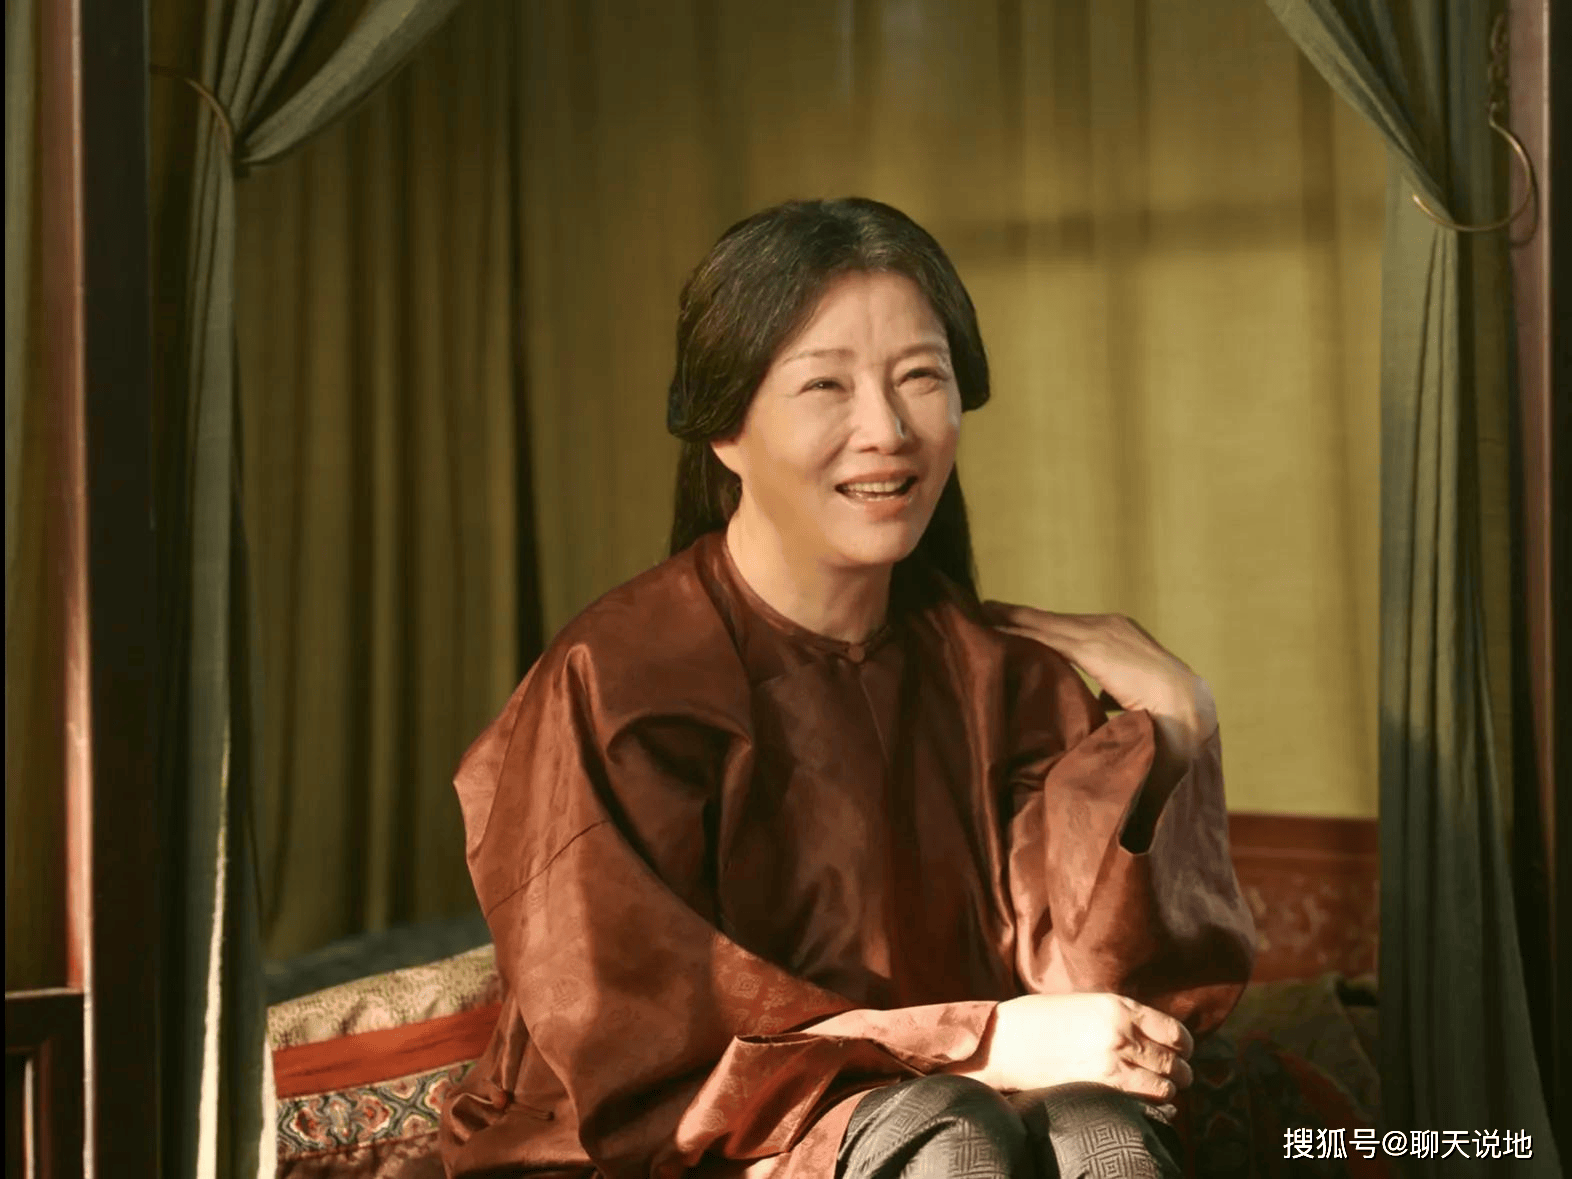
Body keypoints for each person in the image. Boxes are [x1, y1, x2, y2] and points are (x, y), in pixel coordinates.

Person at [438, 197, 1256, 1178]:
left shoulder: (1004, 677)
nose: (886, 430)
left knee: (1100, 1131)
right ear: (724, 428)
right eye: (825, 383)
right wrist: (981, 1043)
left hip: (944, 1109)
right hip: (684, 1147)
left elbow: (1117, 1010)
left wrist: (1173, 733)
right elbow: (642, 1057)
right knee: (949, 1133)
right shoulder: (617, 682)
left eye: (921, 378)